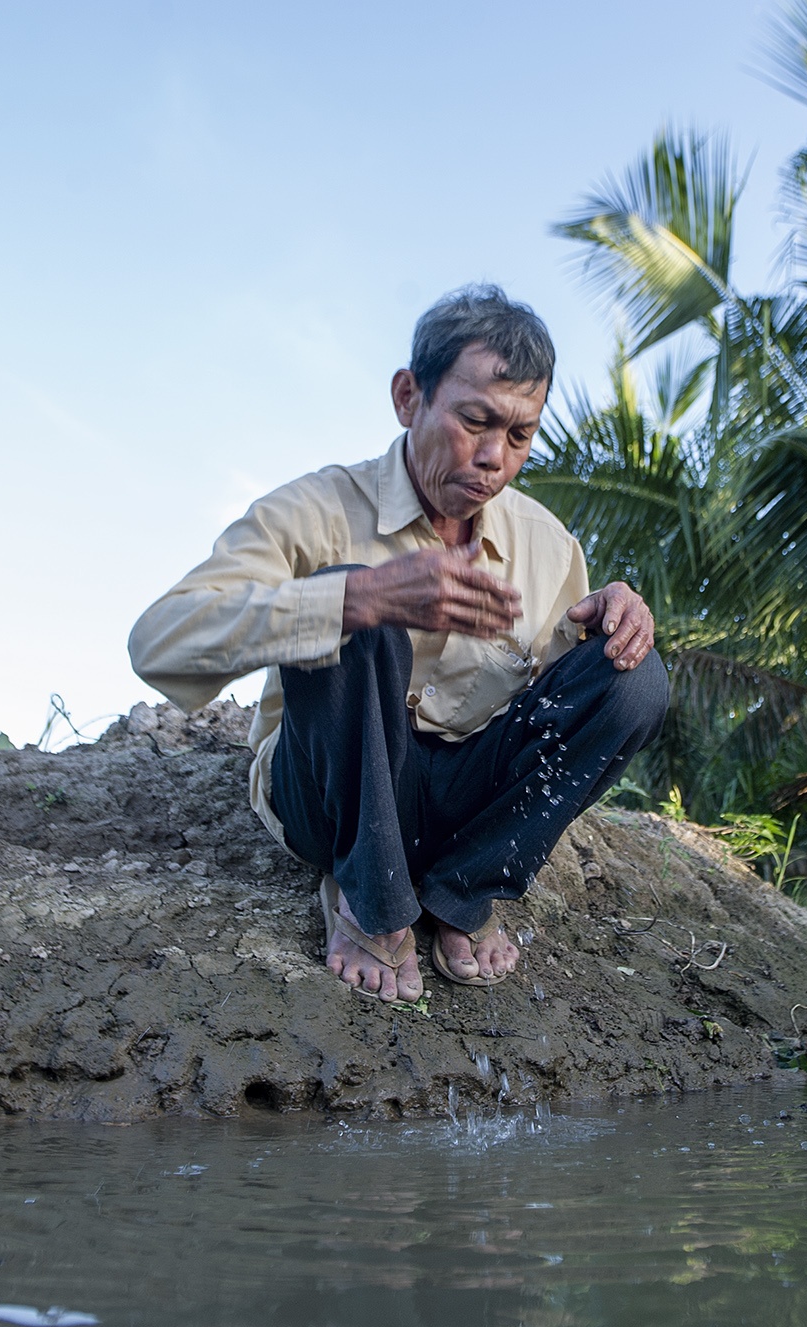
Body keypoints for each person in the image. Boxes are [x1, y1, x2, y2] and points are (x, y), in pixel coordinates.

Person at [129, 285, 666, 1004]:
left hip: (460, 806)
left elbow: (572, 715)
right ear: (409, 397)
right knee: (354, 595)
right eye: (474, 420)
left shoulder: (547, 545)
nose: (493, 459)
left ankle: (461, 896)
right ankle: (369, 900)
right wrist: (357, 600)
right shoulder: (317, 509)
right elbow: (158, 641)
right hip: (328, 795)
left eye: (520, 435)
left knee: (637, 676)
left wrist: (620, 623)